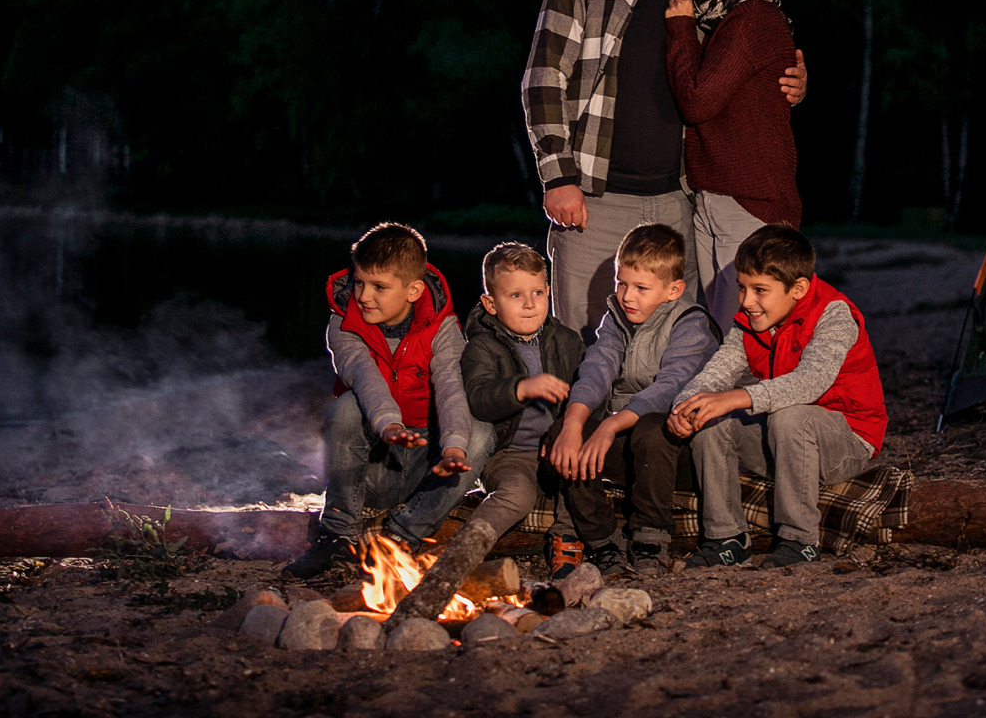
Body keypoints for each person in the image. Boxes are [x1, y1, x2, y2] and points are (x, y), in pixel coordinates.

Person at [521, 0, 807, 338]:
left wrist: (796, 80)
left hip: (679, 201)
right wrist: (558, 178)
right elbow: (542, 80)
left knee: (677, 350)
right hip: (594, 199)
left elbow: (746, 78)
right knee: (580, 341)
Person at [668, 224, 886, 568]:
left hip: (847, 441)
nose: (745, 301)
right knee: (711, 417)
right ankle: (726, 537)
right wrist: (686, 406)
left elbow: (809, 384)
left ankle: (800, 541)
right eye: (742, 287)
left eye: (759, 290)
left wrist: (737, 397)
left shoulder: (834, 315)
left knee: (791, 415)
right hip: (784, 440)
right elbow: (715, 374)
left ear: (798, 288)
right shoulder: (751, 321)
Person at [284, 222, 492, 578]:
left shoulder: (444, 328)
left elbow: (451, 386)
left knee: (482, 432)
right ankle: (338, 533)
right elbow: (363, 375)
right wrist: (388, 424)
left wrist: (455, 448)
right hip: (373, 466)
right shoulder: (344, 322)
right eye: (361, 282)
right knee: (348, 405)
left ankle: (401, 537)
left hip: (427, 467)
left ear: (413, 290)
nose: (364, 296)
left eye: (379, 287)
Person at [545, 223, 721, 577]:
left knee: (653, 428)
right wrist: (574, 423)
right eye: (621, 283)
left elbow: (669, 387)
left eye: (641, 288)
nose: (627, 296)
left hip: (674, 452)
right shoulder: (618, 318)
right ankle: (603, 541)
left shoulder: (691, 323)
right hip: (626, 447)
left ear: (673, 290)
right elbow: (597, 368)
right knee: (560, 433)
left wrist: (610, 425)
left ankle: (650, 539)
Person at [665, 0, 801, 326]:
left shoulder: (753, 15)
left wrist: (682, 27)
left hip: (750, 200)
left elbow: (698, 99)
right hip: (715, 194)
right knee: (723, 336)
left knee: (745, 338)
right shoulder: (719, 15)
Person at [458, 242, 587, 579]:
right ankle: (463, 552)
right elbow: (478, 397)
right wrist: (520, 388)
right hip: (509, 454)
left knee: (577, 477)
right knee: (517, 494)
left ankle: (566, 539)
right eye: (515, 295)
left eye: (538, 293)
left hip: (558, 446)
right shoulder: (483, 346)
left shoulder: (567, 341)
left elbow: (590, 390)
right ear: (490, 303)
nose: (530, 304)